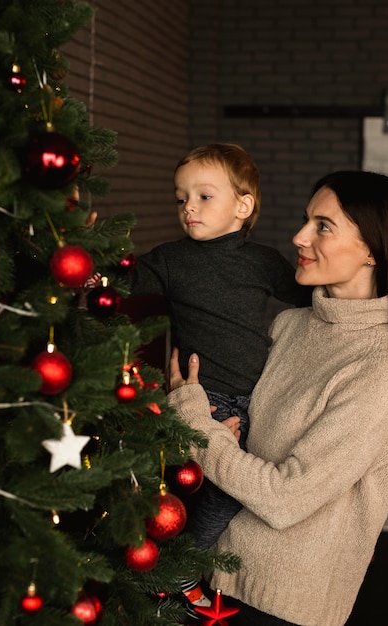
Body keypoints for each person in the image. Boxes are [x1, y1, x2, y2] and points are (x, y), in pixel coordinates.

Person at [167, 170, 388, 626]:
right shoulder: (290, 326)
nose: (298, 236)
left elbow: (284, 499)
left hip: (278, 607)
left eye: (323, 225)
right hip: (207, 575)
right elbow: (239, 437)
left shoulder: (386, 367)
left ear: (372, 250)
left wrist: (195, 422)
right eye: (305, 220)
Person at [128, 143, 311, 614]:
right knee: (218, 495)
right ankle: (181, 568)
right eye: (180, 197)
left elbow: (310, 298)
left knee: (244, 495)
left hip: (259, 400)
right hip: (205, 400)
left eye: (204, 196)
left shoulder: (263, 261)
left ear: (243, 206)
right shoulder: (169, 260)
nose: (188, 206)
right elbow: (120, 285)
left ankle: (181, 568)